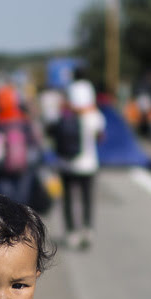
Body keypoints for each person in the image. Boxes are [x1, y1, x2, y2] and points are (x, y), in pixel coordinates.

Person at [56, 74, 105, 249]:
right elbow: (100, 137)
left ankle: (71, 232)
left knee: (69, 199)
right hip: (88, 164)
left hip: (66, 164)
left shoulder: (64, 115)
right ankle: (87, 229)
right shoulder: (94, 116)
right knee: (87, 198)